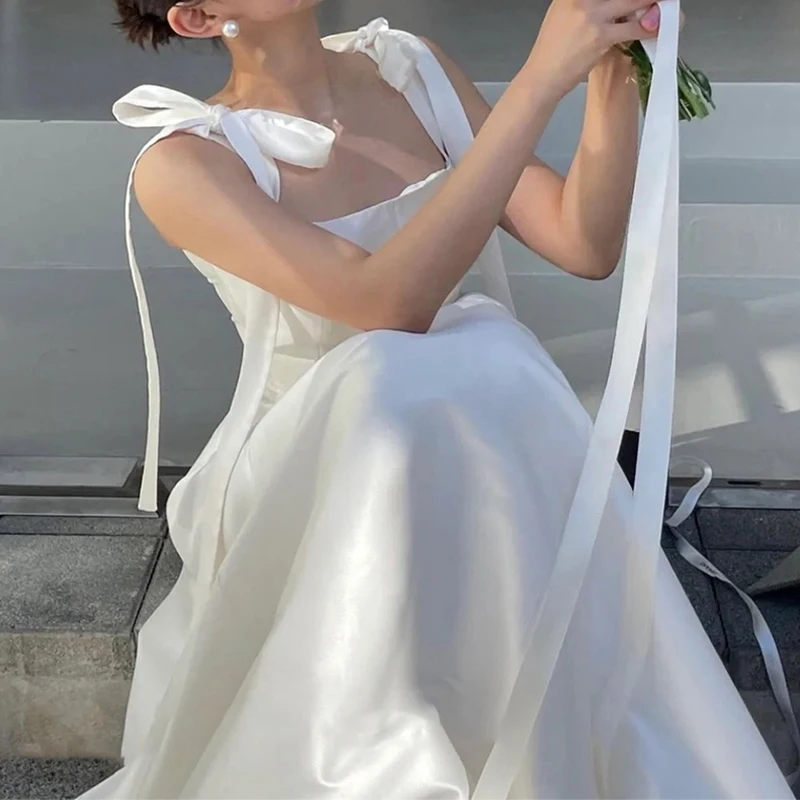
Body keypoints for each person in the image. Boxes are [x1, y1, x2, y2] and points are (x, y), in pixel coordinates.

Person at [80, 0, 791, 797]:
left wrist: (611, 65)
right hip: (320, 465)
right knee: (408, 369)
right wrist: (538, 79)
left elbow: (582, 241)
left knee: (471, 355)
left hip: (469, 421)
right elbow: (386, 306)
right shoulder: (183, 165)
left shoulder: (408, 69)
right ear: (200, 17)